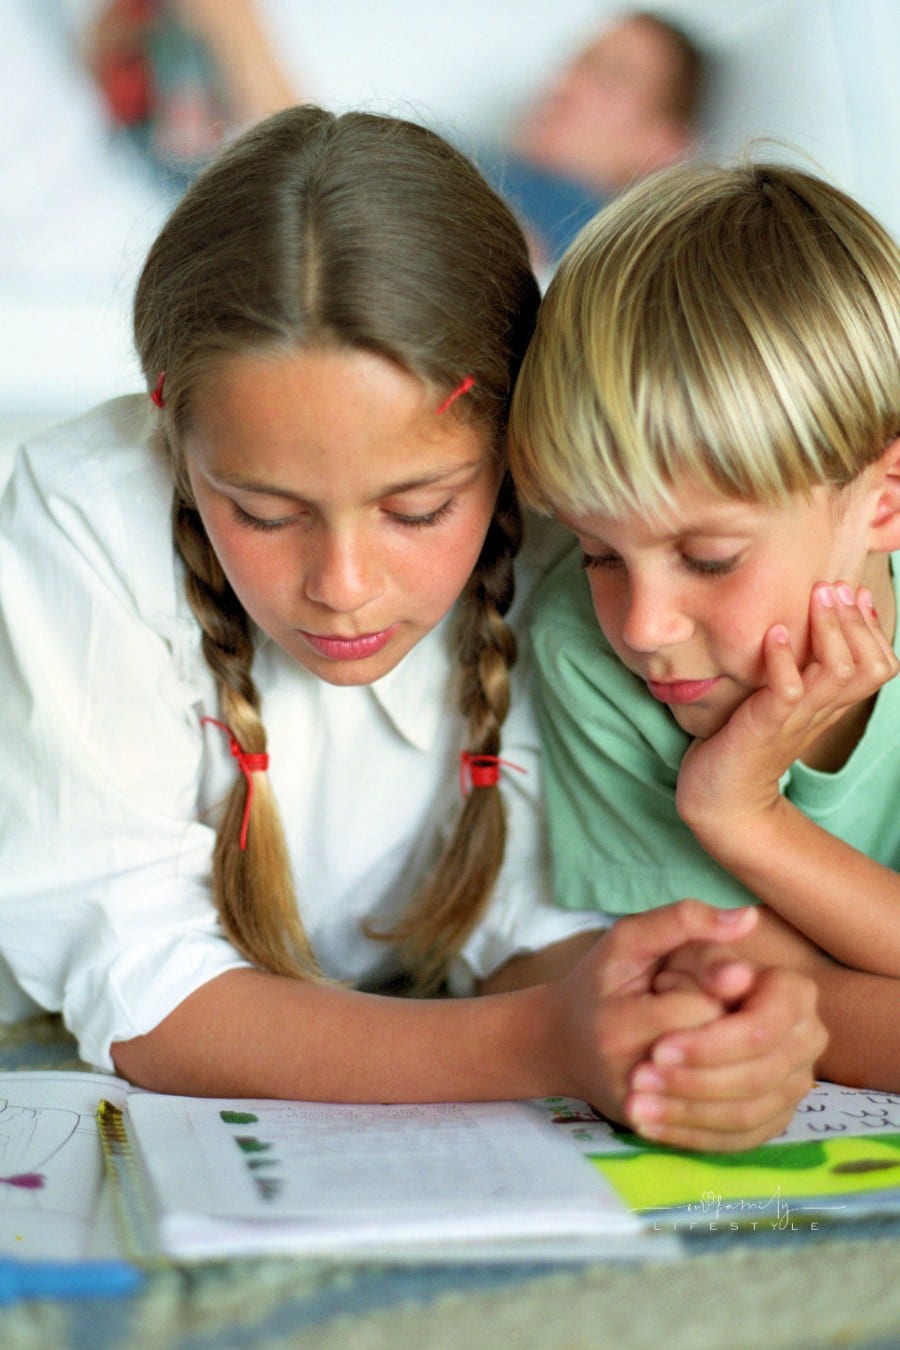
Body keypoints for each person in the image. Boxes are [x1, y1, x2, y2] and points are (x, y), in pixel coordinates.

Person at [0, 109, 823, 1150]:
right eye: (261, 511)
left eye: (420, 510)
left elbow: (532, 927)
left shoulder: (579, 536)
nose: (342, 587)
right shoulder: (84, 514)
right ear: (170, 423)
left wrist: (673, 1006)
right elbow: (147, 999)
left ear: (513, 442)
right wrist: (543, 1043)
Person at [508, 159, 900, 1090]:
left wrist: (744, 815)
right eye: (600, 553)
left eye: (710, 558)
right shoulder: (584, 651)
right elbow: (754, 995)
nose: (643, 627)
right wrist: (735, 811)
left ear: (883, 502)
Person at [491, 9, 704, 272]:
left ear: (666, 148)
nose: (567, 83)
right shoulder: (471, 155)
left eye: (611, 76)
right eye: (578, 63)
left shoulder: (609, 266)